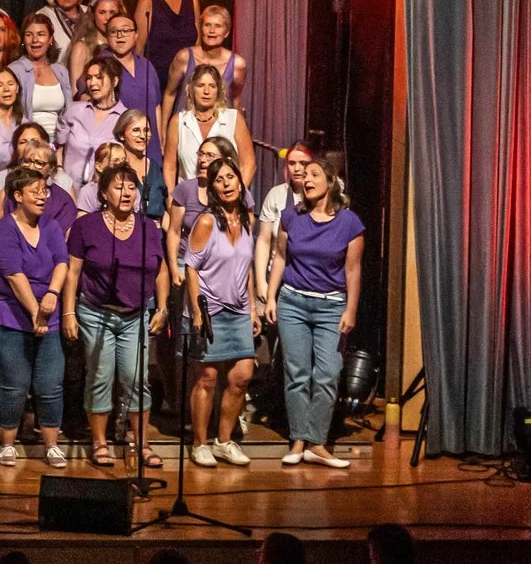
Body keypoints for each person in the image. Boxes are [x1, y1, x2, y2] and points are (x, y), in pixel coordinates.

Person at [64, 164, 170, 470]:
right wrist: (69, 312)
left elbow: (160, 270)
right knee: (101, 375)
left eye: (131, 187)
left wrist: (162, 308)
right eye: (118, 187)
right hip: (96, 312)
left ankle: (141, 443)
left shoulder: (150, 228)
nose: (126, 193)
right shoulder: (87, 226)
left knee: (136, 378)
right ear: (103, 193)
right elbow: (73, 271)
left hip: (136, 314)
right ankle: (100, 442)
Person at [264, 154, 363, 469]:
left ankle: (317, 442)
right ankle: (298, 440)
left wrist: (351, 310)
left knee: (327, 374)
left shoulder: (349, 222)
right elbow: (280, 257)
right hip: (293, 301)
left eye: (313, 174)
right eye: (303, 175)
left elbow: (353, 271)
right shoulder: (291, 216)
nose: (305, 180)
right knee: (296, 374)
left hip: (331, 306)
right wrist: (269, 296)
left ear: (331, 182)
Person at [0, 169, 71, 468]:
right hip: (9, 312)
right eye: (34, 191)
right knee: (15, 383)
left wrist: (53, 295)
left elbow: (63, 261)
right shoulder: (5, 230)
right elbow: (13, 275)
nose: (41, 195)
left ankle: (51, 445)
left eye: (44, 190)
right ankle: (7, 444)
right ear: (17, 196)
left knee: (50, 384)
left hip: (48, 310)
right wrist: (36, 312)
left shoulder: (50, 225)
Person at [181, 157, 261, 470]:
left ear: (240, 182)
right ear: (212, 188)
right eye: (219, 179)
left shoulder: (246, 220)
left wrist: (253, 308)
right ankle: (200, 443)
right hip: (210, 309)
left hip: (239, 308)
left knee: (242, 377)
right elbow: (190, 267)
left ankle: (224, 441)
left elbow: (248, 268)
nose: (227, 183)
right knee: (208, 378)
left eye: (231, 177)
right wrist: (197, 310)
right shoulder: (206, 222)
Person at [165, 64, 254, 185]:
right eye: (200, 85)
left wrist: (237, 192)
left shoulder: (234, 119)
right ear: (191, 88)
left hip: (225, 198)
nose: (206, 91)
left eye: (212, 86)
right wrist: (171, 197)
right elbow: (169, 166)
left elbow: (249, 163)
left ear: (219, 90)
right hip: (189, 199)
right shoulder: (179, 121)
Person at [60, 58, 129, 188]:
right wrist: (59, 171)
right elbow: (59, 147)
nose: (92, 83)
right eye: (89, 78)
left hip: (105, 193)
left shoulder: (125, 119)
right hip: (70, 190)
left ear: (114, 81)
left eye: (99, 77)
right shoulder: (74, 110)